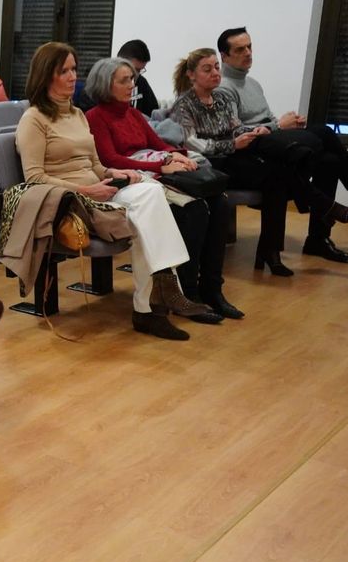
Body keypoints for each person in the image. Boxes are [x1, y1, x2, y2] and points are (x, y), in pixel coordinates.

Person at [17, 42, 211, 341]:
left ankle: (155, 301)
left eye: (74, 69)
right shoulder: (34, 120)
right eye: (64, 71)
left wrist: (114, 174)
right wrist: (86, 189)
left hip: (98, 189)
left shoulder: (76, 115)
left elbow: (95, 163)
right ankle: (155, 302)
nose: (73, 77)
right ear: (46, 76)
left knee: (150, 191)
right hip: (68, 200)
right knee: (148, 205)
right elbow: (34, 178)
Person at [169, 47, 348, 277]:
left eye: (216, 67)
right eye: (207, 69)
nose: (215, 73)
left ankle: (272, 251)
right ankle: (321, 210)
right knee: (279, 170)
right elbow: (192, 144)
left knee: (278, 175)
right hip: (213, 163)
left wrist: (254, 130)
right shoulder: (184, 104)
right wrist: (233, 144)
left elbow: (235, 126)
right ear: (191, 74)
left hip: (237, 153)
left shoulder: (220, 98)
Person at [84, 57, 238, 321]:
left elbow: (159, 143)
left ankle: (212, 289)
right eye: (124, 80)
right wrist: (161, 163)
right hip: (134, 180)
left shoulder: (132, 113)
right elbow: (110, 159)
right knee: (195, 210)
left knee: (220, 203)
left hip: (155, 172)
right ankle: (187, 292)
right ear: (105, 85)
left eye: (132, 79)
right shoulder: (95, 117)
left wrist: (177, 156)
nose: (131, 85)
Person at [215, 26, 348, 262]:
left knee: (330, 161)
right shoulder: (224, 88)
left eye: (250, 46)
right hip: (256, 153)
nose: (248, 52)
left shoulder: (253, 83)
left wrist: (287, 123)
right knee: (323, 132)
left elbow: (268, 120)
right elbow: (237, 132)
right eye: (240, 49)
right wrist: (280, 127)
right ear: (224, 56)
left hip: (273, 143)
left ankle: (318, 239)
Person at [116, 39, 161, 116]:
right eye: (134, 69)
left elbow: (153, 114)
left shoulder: (141, 82)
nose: (136, 75)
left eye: (140, 70)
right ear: (119, 62)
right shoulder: (103, 84)